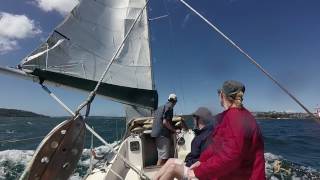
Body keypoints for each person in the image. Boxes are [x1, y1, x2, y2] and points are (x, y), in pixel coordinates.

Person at [153, 80, 265, 180]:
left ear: (222, 95)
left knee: (173, 167)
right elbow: (216, 145)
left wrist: (197, 172)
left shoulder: (236, 118)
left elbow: (231, 157)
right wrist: (201, 161)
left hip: (239, 175)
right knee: (171, 164)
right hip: (230, 173)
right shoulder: (232, 116)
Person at [151, 93, 180, 166]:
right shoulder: (169, 107)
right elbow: (165, 122)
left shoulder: (161, 107)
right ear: (175, 101)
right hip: (162, 135)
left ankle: (159, 173)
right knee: (163, 158)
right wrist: (174, 130)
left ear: (168, 99)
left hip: (157, 134)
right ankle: (159, 175)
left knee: (161, 156)